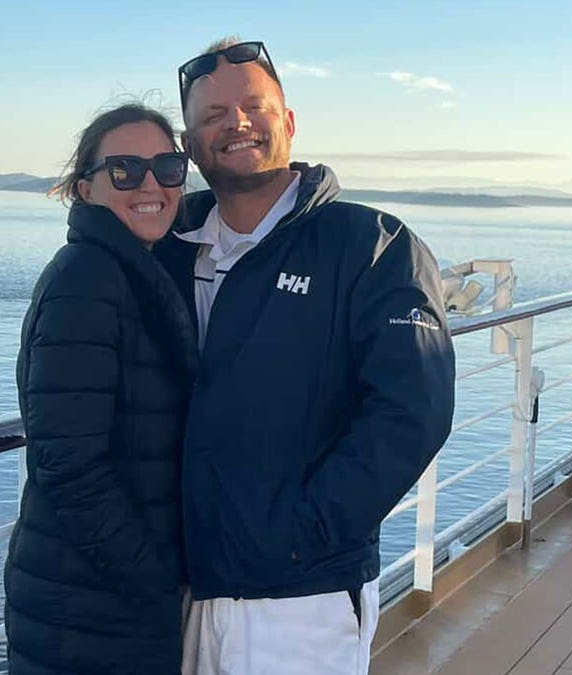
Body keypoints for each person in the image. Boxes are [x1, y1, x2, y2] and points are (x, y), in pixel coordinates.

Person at [151, 38, 457, 674]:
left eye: (252, 106)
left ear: (287, 123)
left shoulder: (372, 246)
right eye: (212, 116)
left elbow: (412, 412)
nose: (234, 123)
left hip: (298, 598)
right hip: (175, 588)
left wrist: (302, 535)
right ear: (190, 145)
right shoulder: (167, 251)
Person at [4, 103, 198, 674]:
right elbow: (69, 464)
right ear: (85, 190)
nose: (150, 184)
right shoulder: (85, 280)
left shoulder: (135, 270)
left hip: (104, 594)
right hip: (89, 602)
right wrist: (154, 579)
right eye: (124, 170)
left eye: (167, 166)